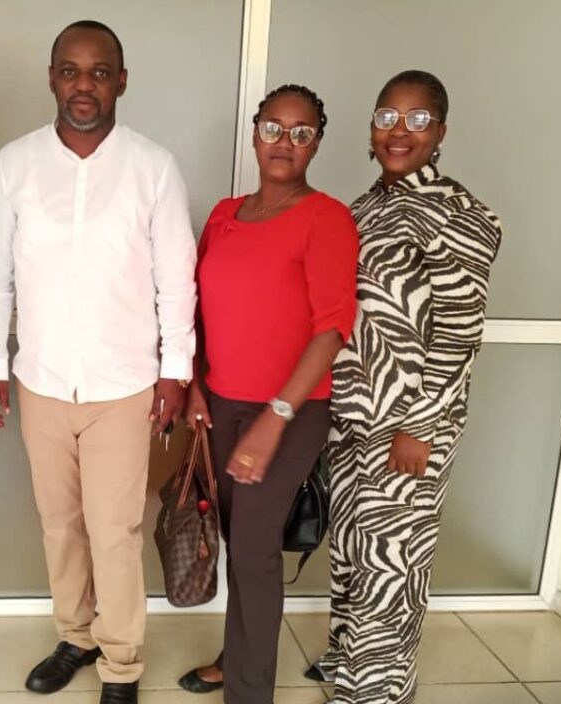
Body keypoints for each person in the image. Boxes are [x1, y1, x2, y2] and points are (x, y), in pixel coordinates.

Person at [0, 19, 197, 704]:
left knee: (116, 530)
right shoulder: (15, 163)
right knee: (60, 524)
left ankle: (121, 663)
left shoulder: (153, 167)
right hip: (41, 380)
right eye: (70, 70)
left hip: (125, 384)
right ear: (51, 77)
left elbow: (175, 280)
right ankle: (75, 636)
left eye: (99, 72)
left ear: (121, 81)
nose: (84, 85)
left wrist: (176, 370)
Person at [304, 70, 502, 704]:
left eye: (418, 120)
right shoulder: (365, 207)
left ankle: (380, 690)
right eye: (387, 116)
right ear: (371, 127)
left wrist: (421, 426)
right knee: (352, 547)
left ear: (440, 133)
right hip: (352, 417)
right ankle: (347, 660)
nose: (399, 131)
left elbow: (460, 333)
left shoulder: (456, 212)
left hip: (408, 424)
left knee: (392, 558)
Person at [175, 85, 359, 704]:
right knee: (239, 541)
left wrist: (274, 419)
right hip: (221, 403)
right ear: (255, 134)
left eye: (301, 132)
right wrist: (195, 385)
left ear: (317, 143)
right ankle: (240, 654)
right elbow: (197, 308)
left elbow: (333, 328)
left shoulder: (326, 217)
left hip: (290, 411)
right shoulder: (224, 215)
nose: (285, 142)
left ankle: (249, 691)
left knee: (253, 551)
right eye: (273, 128)